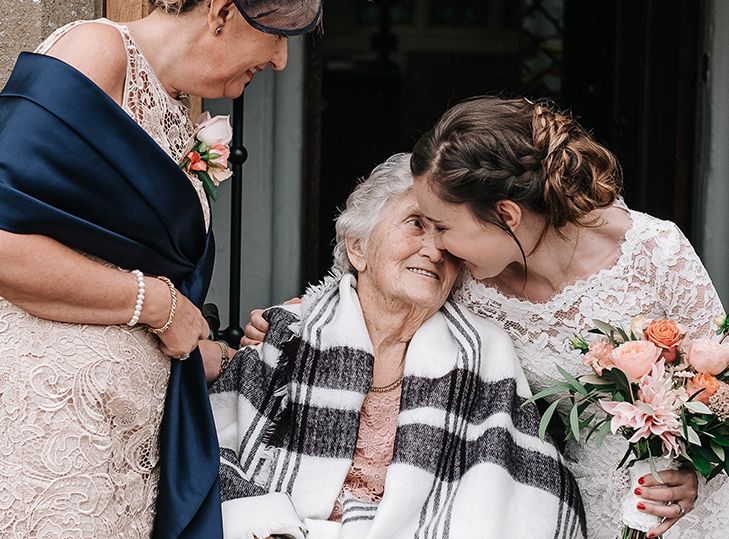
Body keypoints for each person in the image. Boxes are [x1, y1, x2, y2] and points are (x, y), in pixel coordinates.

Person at [0, 0, 375, 535]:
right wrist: (162, 306)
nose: (282, 61)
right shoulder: (97, 50)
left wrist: (205, 349)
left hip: (123, 435)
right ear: (223, 12)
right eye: (276, 33)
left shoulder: (177, 110)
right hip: (48, 432)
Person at [203, 153, 586, 539]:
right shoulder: (291, 332)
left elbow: (530, 489)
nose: (435, 250)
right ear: (358, 248)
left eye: (445, 235)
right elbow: (209, 447)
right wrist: (266, 526)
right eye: (416, 225)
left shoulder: (485, 352)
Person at [406, 95, 728, 538]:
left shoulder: (653, 250)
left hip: (690, 510)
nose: (436, 246)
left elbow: (723, 384)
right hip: (574, 510)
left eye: (442, 226)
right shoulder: (465, 287)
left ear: (506, 215)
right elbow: (379, 299)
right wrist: (292, 315)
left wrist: (696, 469)